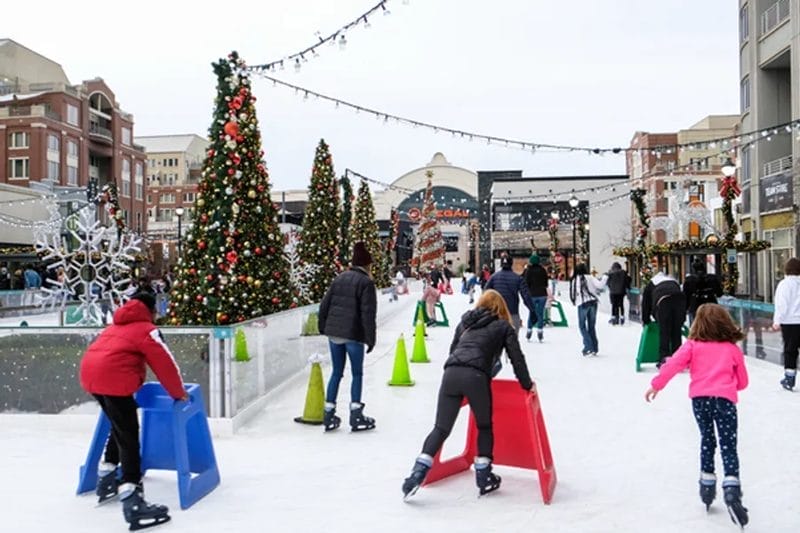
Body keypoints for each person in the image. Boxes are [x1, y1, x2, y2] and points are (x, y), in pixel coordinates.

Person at [401, 289, 535, 500]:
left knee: (441, 428)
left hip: (451, 375)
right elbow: (516, 358)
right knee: (484, 426)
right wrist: (527, 384)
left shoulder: (465, 323)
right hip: (476, 377)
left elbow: (454, 351)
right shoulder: (503, 326)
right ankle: (484, 475)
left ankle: (417, 472)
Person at [79, 292, 188, 530]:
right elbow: (164, 363)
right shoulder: (146, 328)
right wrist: (178, 393)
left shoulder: (116, 325)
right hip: (113, 379)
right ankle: (132, 498)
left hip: (91, 376)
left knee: (118, 427)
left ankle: (107, 475)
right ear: (151, 309)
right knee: (128, 434)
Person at [645, 303, 749, 527]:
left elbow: (672, 365)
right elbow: (743, 382)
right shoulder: (732, 349)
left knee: (708, 440)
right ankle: (732, 489)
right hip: (725, 401)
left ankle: (707, 485)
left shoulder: (692, 346)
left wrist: (656, 385)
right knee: (728, 444)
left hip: (700, 400)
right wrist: (729, 386)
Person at [318, 241, 377, 432]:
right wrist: (370, 338)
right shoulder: (366, 283)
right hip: (353, 335)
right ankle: (356, 414)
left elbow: (324, 306)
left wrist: (323, 327)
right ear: (367, 265)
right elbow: (368, 314)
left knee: (336, 372)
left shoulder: (339, 278)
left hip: (334, 334)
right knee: (357, 373)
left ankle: (328, 413)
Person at [641, 270, 686, 368]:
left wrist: (646, 320)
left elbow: (645, 303)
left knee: (664, 331)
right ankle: (678, 358)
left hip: (663, 302)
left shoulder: (651, 284)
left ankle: (664, 358)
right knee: (676, 331)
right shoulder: (673, 281)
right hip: (680, 301)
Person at [485, 253, 534, 335]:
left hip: (497, 312)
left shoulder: (494, 277)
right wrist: (532, 310)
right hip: (513, 312)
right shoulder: (518, 278)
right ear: (511, 264)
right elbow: (526, 295)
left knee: (497, 341)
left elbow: (486, 293)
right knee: (512, 340)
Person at [771, 257, 800, 391]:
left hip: (790, 322)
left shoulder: (784, 284)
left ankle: (789, 378)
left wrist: (777, 321)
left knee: (790, 350)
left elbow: (782, 304)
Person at [569, 263, 607, 356]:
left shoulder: (575, 280)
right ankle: (594, 347)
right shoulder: (590, 277)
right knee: (591, 326)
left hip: (582, 304)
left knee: (582, 326)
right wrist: (605, 276)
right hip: (593, 303)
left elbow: (574, 293)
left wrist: (574, 301)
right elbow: (600, 285)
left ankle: (588, 346)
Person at [682, 259, 723, 325]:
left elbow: (686, 296)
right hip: (710, 303)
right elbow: (719, 293)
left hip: (695, 305)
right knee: (712, 324)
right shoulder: (712, 278)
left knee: (695, 325)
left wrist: (685, 308)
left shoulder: (689, 280)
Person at [523, 253, 550, 342]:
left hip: (532, 294)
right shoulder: (543, 270)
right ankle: (540, 331)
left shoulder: (529, 271)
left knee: (532, 312)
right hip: (542, 294)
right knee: (540, 313)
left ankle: (529, 331)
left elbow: (526, 283)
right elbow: (546, 283)